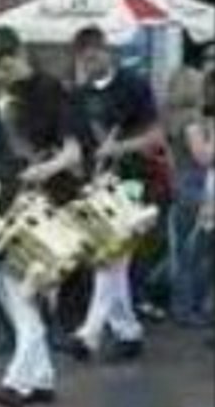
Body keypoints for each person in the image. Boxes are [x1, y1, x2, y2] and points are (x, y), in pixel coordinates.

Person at [0, 28, 84, 407]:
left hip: (50, 202)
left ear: (11, 59)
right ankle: (40, 377)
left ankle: (18, 381)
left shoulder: (52, 91)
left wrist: (45, 171)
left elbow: (74, 152)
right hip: (11, 202)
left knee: (25, 292)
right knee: (16, 295)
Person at [63, 26, 165, 363]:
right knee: (111, 258)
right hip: (97, 184)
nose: (89, 65)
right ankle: (128, 331)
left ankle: (89, 334)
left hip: (134, 181)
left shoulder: (133, 85)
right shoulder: (78, 97)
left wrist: (119, 146)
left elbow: (155, 137)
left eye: (94, 57)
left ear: (107, 51)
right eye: (83, 59)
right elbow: (77, 146)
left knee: (111, 255)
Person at [165, 43, 215, 327]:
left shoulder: (171, 118)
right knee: (196, 253)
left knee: (184, 251)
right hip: (196, 187)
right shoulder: (192, 121)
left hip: (180, 184)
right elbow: (205, 156)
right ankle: (188, 309)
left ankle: (182, 307)